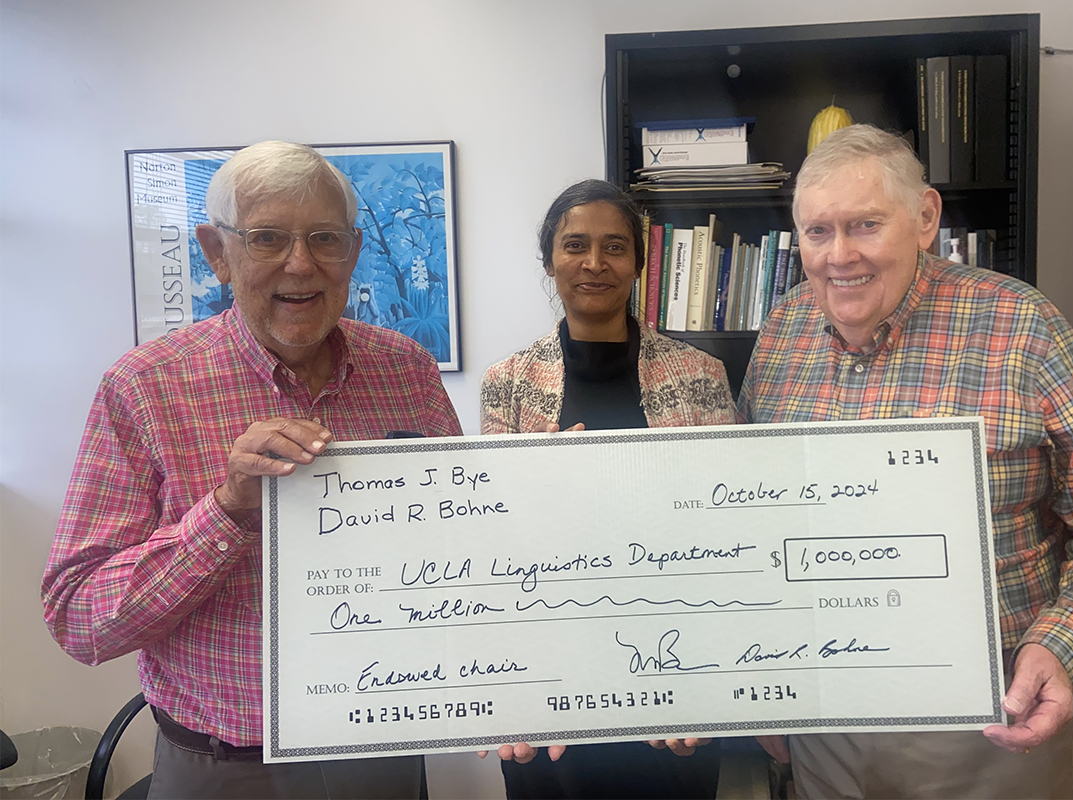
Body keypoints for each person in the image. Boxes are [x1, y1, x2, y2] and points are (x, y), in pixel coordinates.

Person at [737, 124, 1073, 799]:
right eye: (818, 232)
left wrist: (1059, 647)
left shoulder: (1022, 328)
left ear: (925, 218)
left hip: (993, 727)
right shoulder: (782, 332)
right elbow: (749, 518)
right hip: (826, 720)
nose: (839, 255)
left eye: (864, 225)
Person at [42, 141, 462, 800]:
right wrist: (228, 511)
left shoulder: (405, 371)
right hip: (224, 770)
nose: (301, 264)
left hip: (381, 746)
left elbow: (458, 542)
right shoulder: (144, 388)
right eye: (267, 238)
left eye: (324, 238)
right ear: (218, 253)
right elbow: (80, 619)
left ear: (352, 252)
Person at [478, 179, 734, 800]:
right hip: (550, 690)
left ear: (640, 264)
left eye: (615, 247)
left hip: (676, 676)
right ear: (549, 261)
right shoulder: (507, 383)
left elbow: (730, 534)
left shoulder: (702, 376)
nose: (594, 264)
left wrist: (709, 685)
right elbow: (493, 542)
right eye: (575, 245)